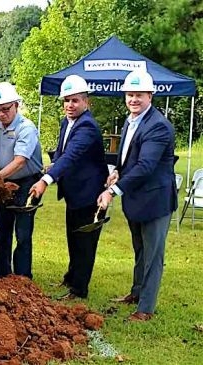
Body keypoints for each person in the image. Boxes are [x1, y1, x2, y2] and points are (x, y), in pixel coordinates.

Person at [97, 70, 177, 321]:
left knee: (153, 256)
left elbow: (145, 166)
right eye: (130, 94)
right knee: (140, 249)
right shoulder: (131, 120)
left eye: (139, 95)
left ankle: (145, 309)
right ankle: (136, 292)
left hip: (155, 200)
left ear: (150, 96)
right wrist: (117, 172)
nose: (133, 99)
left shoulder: (158, 127)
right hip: (136, 198)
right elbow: (129, 159)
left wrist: (112, 191)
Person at [29, 75, 108, 299]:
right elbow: (64, 154)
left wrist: (46, 180)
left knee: (85, 242)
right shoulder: (68, 122)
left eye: (75, 100)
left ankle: (79, 289)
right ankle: (71, 277)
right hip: (74, 193)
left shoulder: (87, 127)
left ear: (86, 102)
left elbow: (72, 156)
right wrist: (53, 166)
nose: (69, 105)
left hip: (90, 194)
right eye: (66, 101)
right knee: (73, 238)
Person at [0, 82, 43, 279]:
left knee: (23, 233)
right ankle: (1, 274)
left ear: (16, 105)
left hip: (27, 183)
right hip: (4, 182)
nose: (1, 114)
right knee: (3, 229)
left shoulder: (27, 128)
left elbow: (19, 161)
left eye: (5, 109)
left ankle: (23, 278)